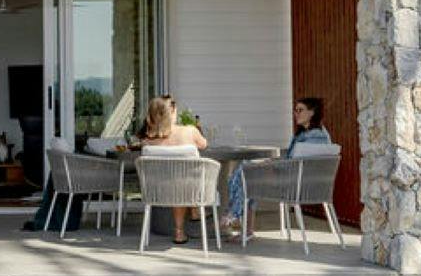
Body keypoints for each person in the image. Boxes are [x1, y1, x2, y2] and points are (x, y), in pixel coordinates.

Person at [226, 96, 332, 236]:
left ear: (312, 112)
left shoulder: (315, 137)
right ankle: (240, 222)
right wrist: (271, 163)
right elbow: (295, 161)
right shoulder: (312, 134)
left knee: (246, 171)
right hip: (298, 182)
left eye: (300, 110)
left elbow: (295, 164)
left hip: (295, 185)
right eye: (295, 111)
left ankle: (233, 215)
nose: (296, 114)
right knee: (246, 173)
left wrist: (271, 164)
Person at [141, 95, 209, 245]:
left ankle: (181, 230)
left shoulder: (147, 142)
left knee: (176, 180)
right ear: (172, 111)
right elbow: (204, 144)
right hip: (191, 190)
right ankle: (193, 210)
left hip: (158, 191)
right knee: (184, 179)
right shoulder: (190, 131)